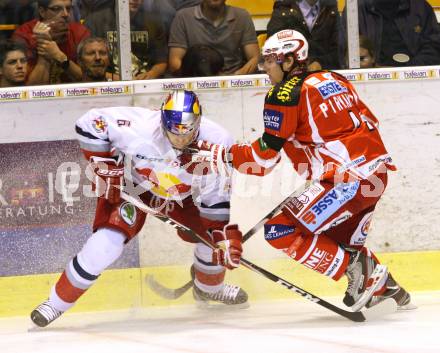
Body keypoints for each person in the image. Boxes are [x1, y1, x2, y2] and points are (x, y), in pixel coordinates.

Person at [193, 30, 413, 311]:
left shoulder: (284, 94)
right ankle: (389, 290)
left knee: (279, 231)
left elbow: (262, 161)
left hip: (347, 180)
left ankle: (360, 271)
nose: (265, 68)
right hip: (376, 175)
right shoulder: (334, 78)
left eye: (270, 61)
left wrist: (220, 155)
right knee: (339, 243)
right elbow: (367, 122)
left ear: (288, 61)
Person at [30, 90, 247, 328]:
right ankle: (55, 304)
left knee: (212, 243)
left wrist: (219, 236)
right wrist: (102, 162)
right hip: (132, 189)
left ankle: (209, 290)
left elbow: (215, 197)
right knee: (106, 245)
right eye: (175, 131)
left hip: (182, 196)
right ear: (163, 121)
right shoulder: (138, 125)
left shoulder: (219, 141)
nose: (181, 139)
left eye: (189, 131)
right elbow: (89, 123)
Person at [168, 0, 260, 76]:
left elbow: (255, 58)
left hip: (233, 80)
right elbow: (175, 62)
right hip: (197, 80)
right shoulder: (183, 17)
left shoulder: (242, 16)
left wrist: (236, 77)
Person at [83, 0, 168, 80]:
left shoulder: (153, 21)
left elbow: (161, 61)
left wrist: (151, 74)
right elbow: (86, 66)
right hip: (108, 84)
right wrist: (119, 80)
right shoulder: (96, 20)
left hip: (144, 84)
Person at [341, 0, 440, 67]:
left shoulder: (420, 7)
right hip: (371, 82)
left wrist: (410, 70)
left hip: (417, 80)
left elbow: (434, 46)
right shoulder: (355, 9)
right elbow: (345, 53)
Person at [12, 0, 90, 84]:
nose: (66, 14)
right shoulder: (24, 34)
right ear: (42, 12)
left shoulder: (80, 32)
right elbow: (31, 89)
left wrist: (59, 56)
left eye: (68, 8)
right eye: (56, 9)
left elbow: (88, 78)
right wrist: (44, 47)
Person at [267, 0, 341, 70]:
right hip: (290, 75)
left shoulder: (330, 8)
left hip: (325, 74)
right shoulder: (283, 8)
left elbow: (339, 50)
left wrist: (320, 63)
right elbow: (273, 49)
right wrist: (297, 66)